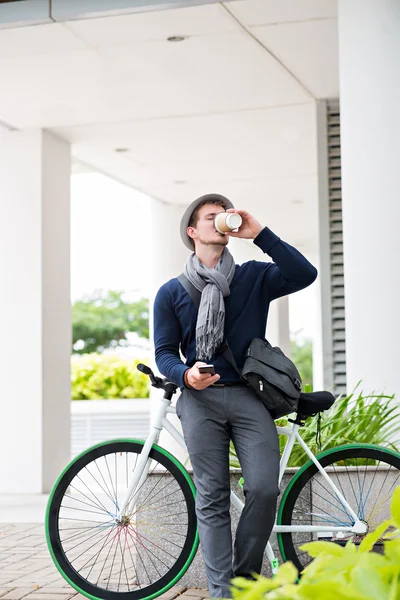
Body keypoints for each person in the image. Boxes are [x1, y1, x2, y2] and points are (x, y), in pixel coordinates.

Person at [153, 193, 317, 598]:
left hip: (248, 397)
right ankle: (223, 592)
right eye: (211, 217)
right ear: (192, 232)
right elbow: (163, 353)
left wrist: (258, 232)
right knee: (211, 497)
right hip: (199, 401)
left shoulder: (253, 278)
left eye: (222, 215)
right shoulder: (171, 292)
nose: (220, 221)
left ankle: (244, 579)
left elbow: (304, 273)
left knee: (263, 488)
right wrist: (186, 375)